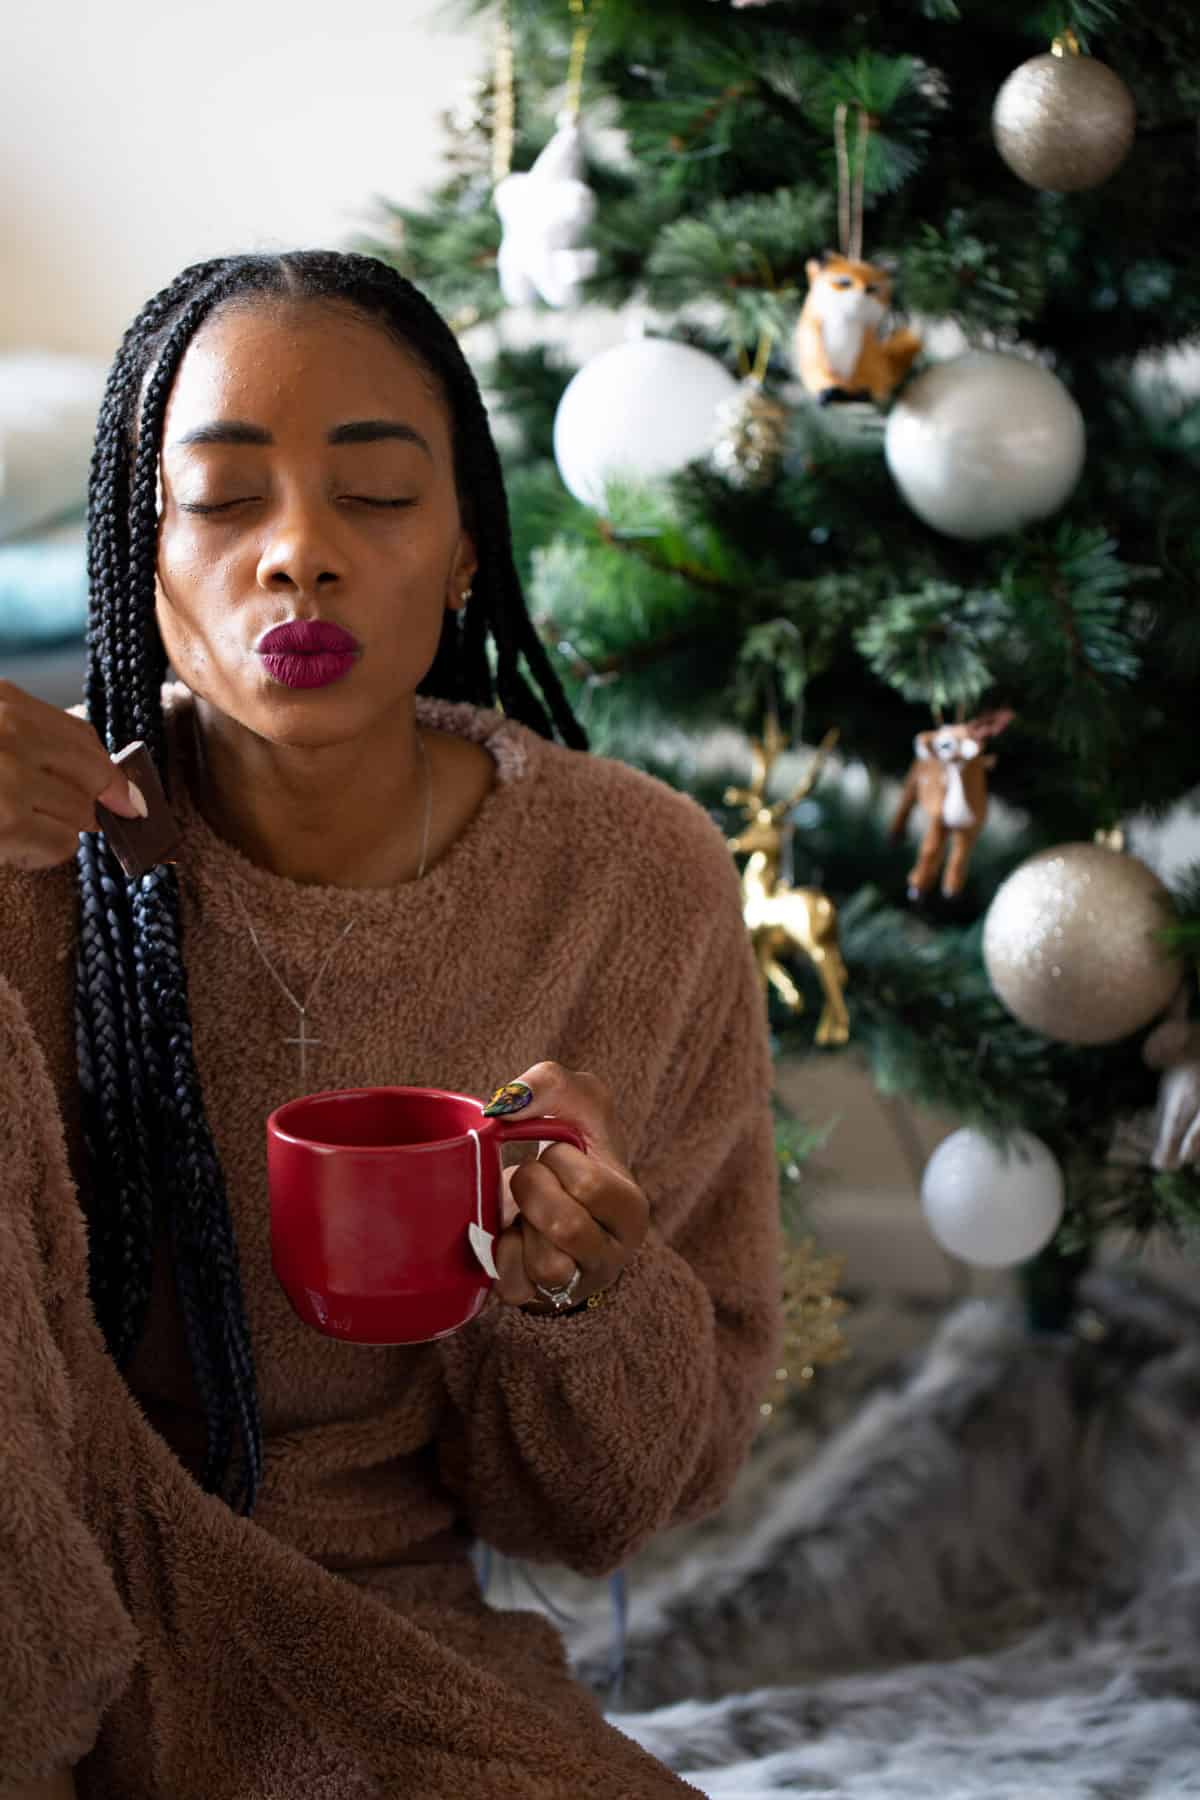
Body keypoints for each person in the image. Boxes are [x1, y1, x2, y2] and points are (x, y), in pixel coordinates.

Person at [0, 250, 782, 1799]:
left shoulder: (625, 884)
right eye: (225, 500)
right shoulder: (27, 848)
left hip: (375, 1643)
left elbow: (595, 1516)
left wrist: (581, 1303)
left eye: (375, 496)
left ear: (468, 552)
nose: (300, 555)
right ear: (134, 555)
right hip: (39, 1618)